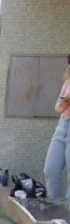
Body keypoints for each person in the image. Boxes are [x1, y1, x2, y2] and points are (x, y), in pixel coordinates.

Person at [43, 56, 70, 199]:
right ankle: (56, 207)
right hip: (62, 125)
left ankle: (67, 216)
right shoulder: (67, 82)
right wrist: (65, 102)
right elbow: (58, 107)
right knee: (50, 170)